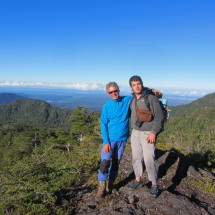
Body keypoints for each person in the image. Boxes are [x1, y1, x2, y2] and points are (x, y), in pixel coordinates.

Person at [96, 81, 161, 199]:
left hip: (122, 140)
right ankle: (101, 186)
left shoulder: (127, 100)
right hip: (110, 140)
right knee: (105, 163)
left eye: (115, 91)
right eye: (111, 92)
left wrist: (151, 90)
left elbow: (139, 92)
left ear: (118, 90)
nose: (114, 93)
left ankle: (109, 185)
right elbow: (103, 124)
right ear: (108, 93)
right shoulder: (106, 106)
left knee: (116, 163)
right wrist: (106, 141)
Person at [127, 75, 164, 197]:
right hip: (135, 132)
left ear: (142, 84)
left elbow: (159, 117)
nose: (137, 86)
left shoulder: (151, 98)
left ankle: (154, 184)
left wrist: (153, 132)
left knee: (149, 159)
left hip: (148, 133)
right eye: (134, 85)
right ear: (131, 87)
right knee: (136, 158)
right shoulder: (132, 99)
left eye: (138, 83)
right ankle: (138, 180)